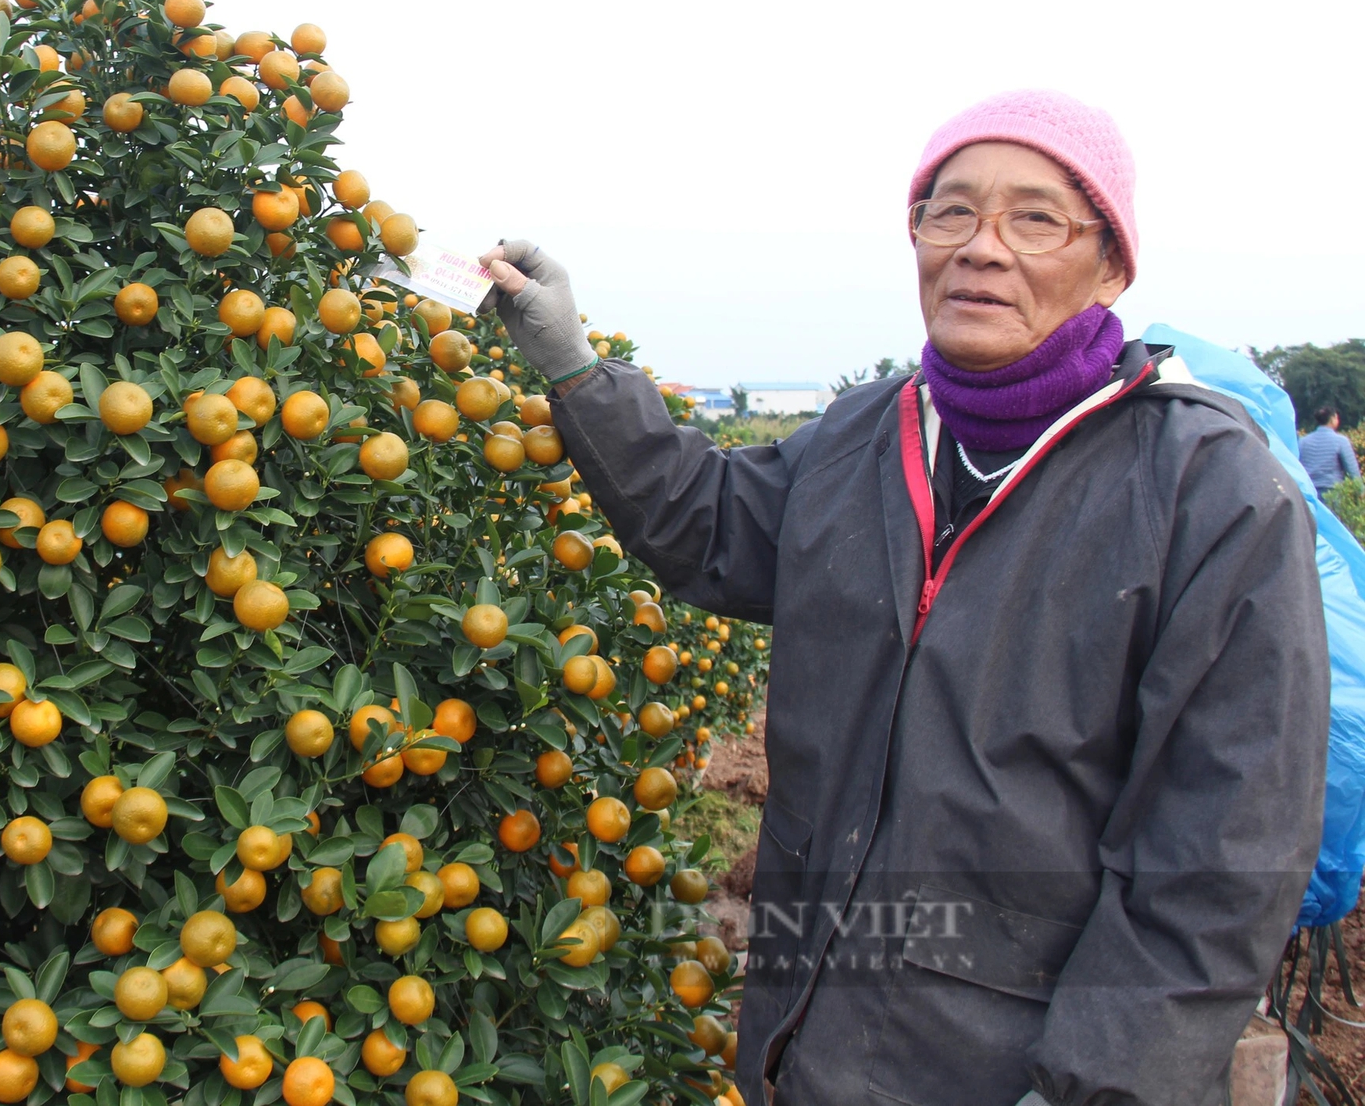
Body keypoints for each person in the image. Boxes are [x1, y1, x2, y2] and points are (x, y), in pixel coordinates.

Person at [479, 89, 1329, 1106]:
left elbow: (1218, 855)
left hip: (1013, 1066)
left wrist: (1092, 1089)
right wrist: (575, 367)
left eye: (1033, 216)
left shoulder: (1203, 488)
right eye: (948, 210)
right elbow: (711, 529)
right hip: (808, 1045)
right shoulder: (860, 435)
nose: (979, 246)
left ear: (1109, 263)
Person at [1300, 405, 1360, 497]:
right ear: (1333, 419)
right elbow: (1352, 469)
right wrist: (1360, 490)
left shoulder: (1303, 441)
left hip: (1308, 491)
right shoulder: (1341, 441)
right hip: (1332, 492)